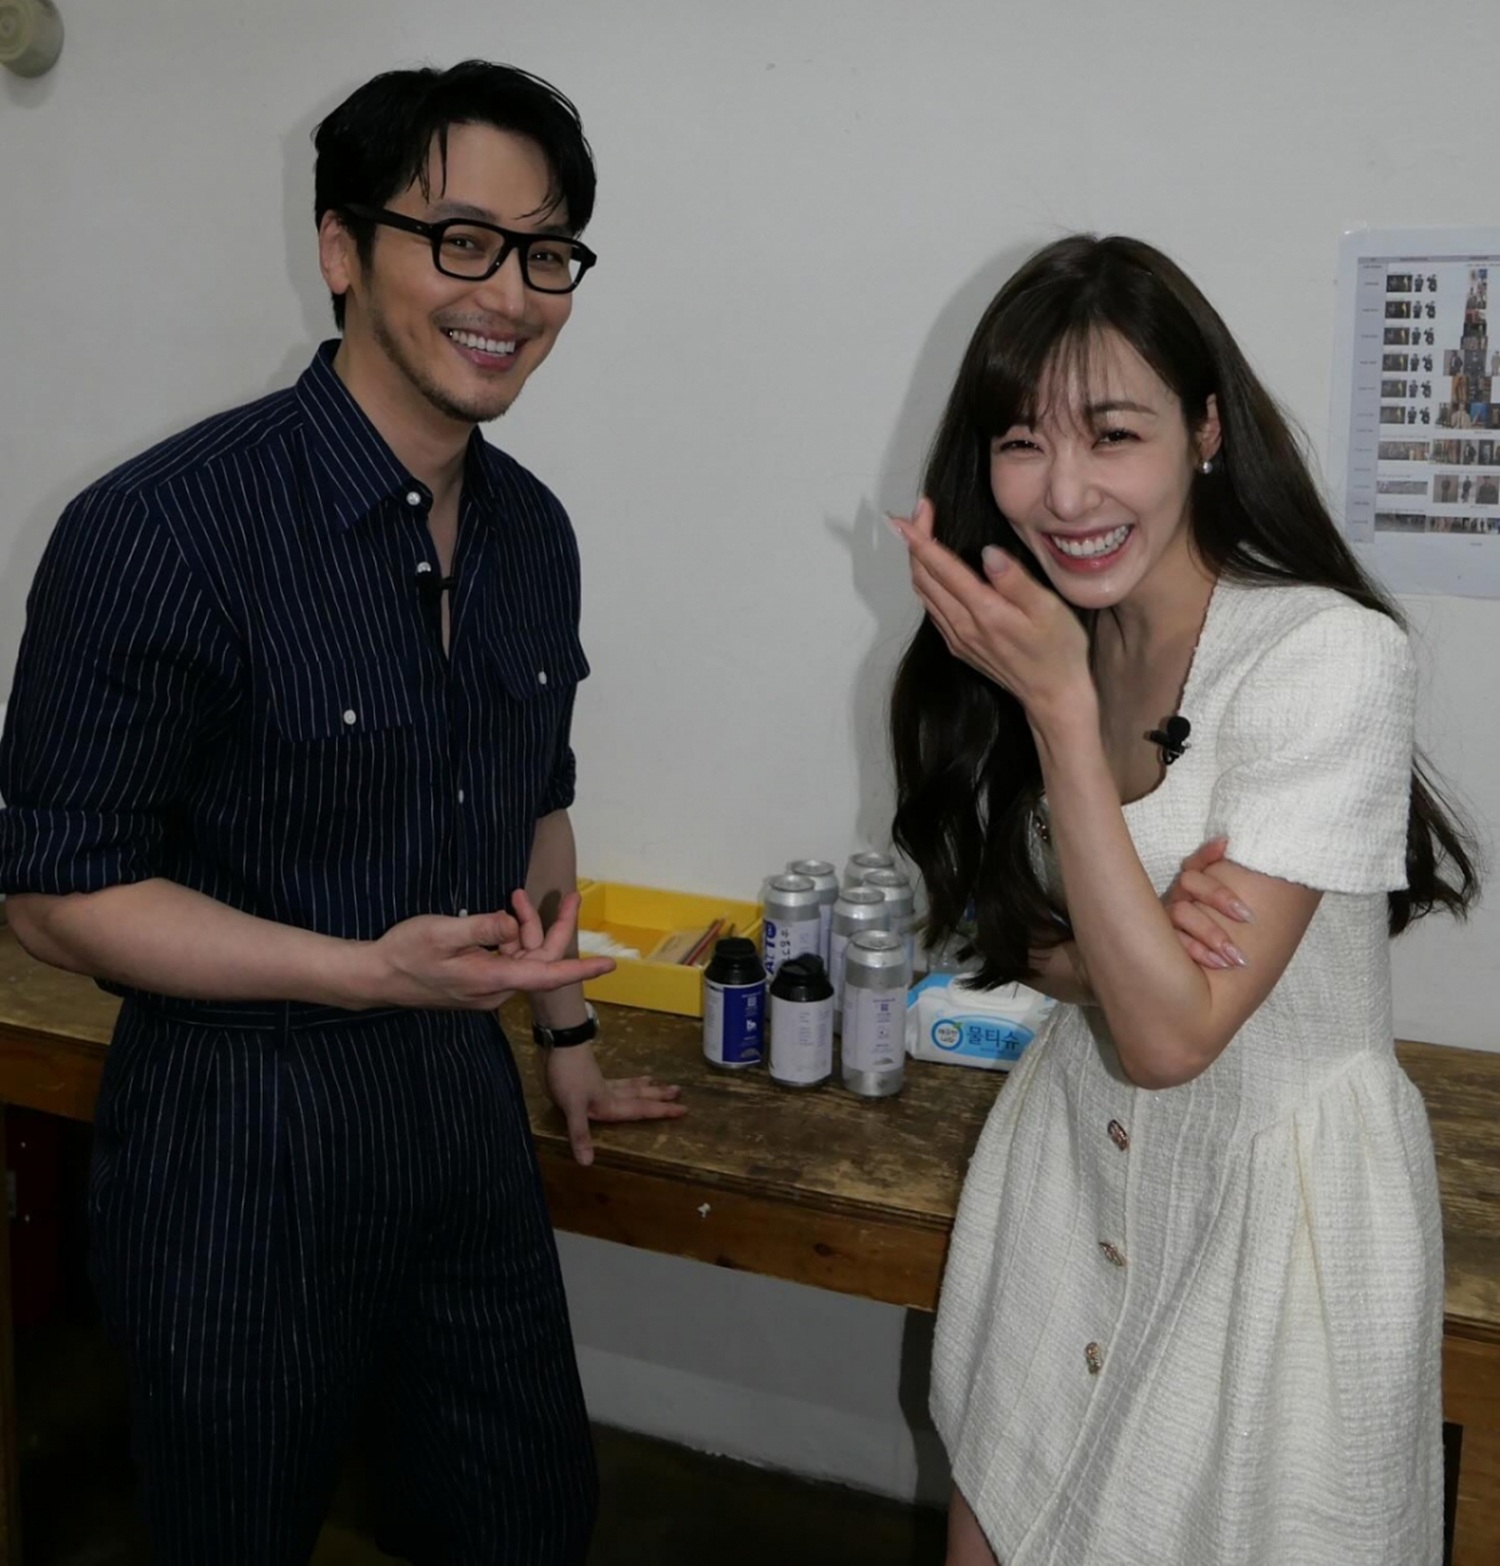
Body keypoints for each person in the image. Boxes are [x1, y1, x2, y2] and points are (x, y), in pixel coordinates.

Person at [0, 60, 685, 1565]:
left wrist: (566, 1034)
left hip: (459, 1116)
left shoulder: (534, 531)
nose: (507, 293)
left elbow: (538, 802)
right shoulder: (159, 528)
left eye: (545, 252)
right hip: (237, 1138)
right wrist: (361, 970)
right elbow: (54, 892)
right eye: (460, 239)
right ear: (339, 248)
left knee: (525, 1519)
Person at [887, 235, 1477, 1566]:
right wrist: (1120, 954)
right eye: (1022, 441)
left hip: (1276, 1223)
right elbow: (1031, 941)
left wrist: (1061, 719)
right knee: (1004, 1501)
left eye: (1114, 432)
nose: (1066, 490)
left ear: (1205, 431)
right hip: (1066, 1179)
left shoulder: (1327, 657)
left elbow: (1170, 1039)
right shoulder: (1050, 632)